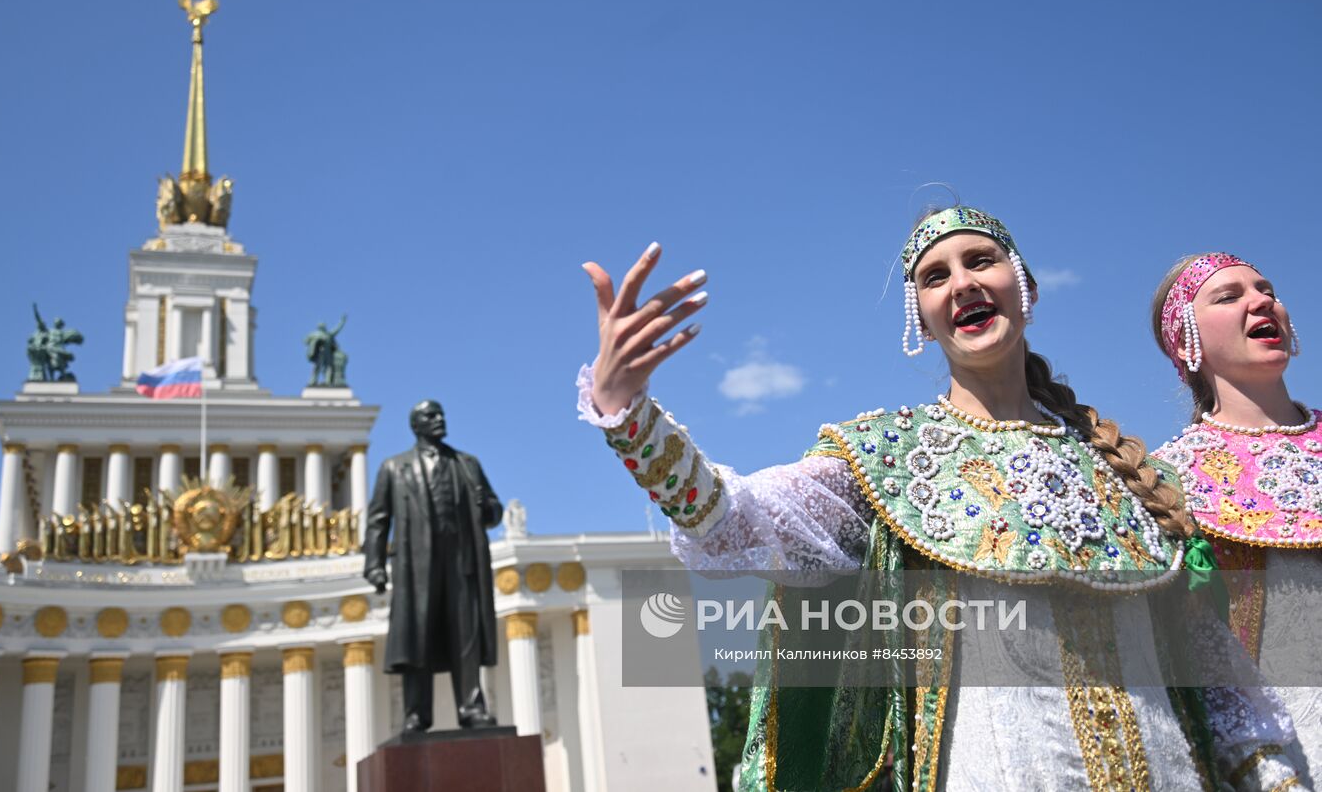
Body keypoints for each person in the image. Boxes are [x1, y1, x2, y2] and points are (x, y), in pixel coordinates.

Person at [578, 207, 1302, 791]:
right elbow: (729, 520)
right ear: (920, 319)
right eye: (935, 275)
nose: (961, 283)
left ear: (1027, 287)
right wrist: (628, 418)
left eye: (981, 261)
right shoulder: (885, 459)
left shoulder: (1128, 473)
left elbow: (1217, 683)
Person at [1151, 253, 1320, 787]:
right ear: (1185, 342)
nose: (1261, 299)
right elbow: (1194, 656)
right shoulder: (1165, 482)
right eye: (1229, 296)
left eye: (1266, 288)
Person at [362, 399, 504, 732]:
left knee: (465, 635)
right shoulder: (394, 468)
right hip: (416, 567)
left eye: (441, 414)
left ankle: (472, 707)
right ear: (416, 426)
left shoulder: (466, 464)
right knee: (417, 638)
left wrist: (488, 508)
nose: (439, 419)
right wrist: (375, 565)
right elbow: (378, 520)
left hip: (461, 561)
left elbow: (493, 512)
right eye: (431, 415)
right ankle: (416, 713)